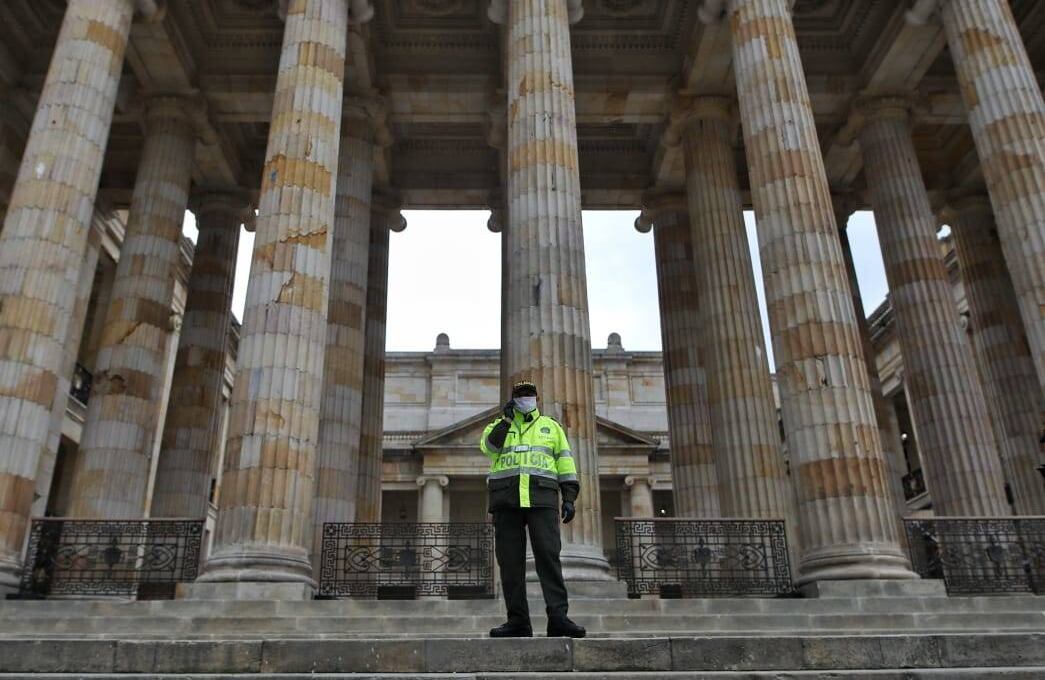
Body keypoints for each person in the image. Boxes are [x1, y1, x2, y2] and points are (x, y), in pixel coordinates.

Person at [479, 380, 586, 638]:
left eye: (528, 394)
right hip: (506, 500)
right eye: (520, 394)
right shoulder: (497, 426)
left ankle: (558, 619)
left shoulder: (551, 427)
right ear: (512, 399)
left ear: (537, 399)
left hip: (542, 498)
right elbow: (489, 449)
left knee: (549, 559)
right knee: (510, 564)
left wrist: (569, 497)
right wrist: (506, 421)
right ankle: (517, 621)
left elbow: (565, 462)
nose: (524, 398)